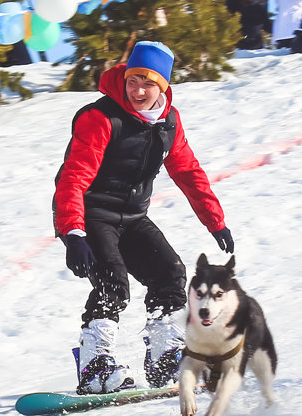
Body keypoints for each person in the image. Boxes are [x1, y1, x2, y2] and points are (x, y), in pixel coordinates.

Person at [53, 41, 233, 394]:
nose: (137, 90)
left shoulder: (168, 122)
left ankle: (165, 358)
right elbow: (73, 177)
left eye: (148, 84)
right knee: (112, 282)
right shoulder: (101, 118)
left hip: (132, 216)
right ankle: (94, 367)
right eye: (133, 80)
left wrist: (216, 221)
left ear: (162, 87)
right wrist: (73, 232)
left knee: (170, 272)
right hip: (89, 214)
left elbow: (187, 171)